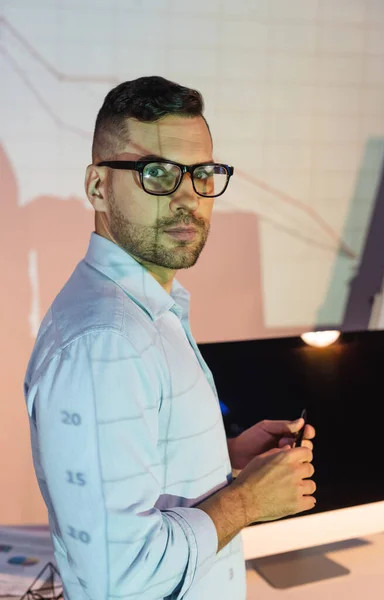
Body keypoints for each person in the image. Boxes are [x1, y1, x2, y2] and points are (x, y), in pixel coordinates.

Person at [24, 76, 316, 600]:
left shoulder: (150, 311)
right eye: (156, 172)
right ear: (97, 187)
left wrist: (219, 462)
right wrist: (246, 501)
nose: (187, 197)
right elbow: (120, 577)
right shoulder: (104, 341)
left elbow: (134, 480)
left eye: (202, 173)